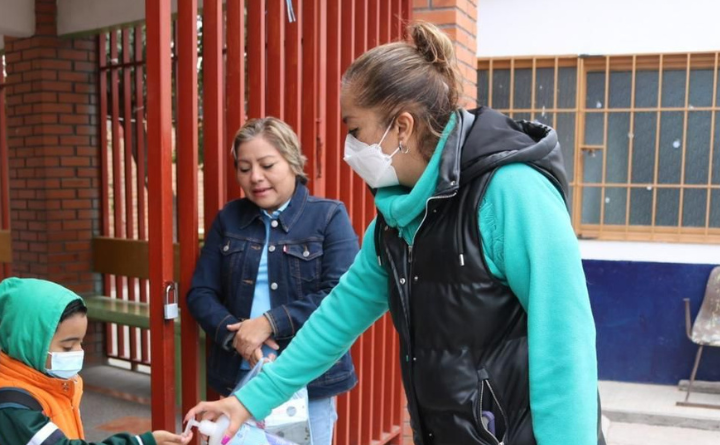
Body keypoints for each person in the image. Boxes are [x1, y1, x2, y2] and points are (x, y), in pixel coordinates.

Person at [185, 22, 605, 445]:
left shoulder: (510, 192)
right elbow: (335, 319)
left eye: (355, 130)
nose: (349, 147)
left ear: (402, 127)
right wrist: (247, 402)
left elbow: (564, 344)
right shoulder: (396, 219)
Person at [186, 117, 359, 445]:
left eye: (267, 165)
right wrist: (237, 336)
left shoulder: (328, 216)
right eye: (244, 168)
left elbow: (341, 295)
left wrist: (269, 322)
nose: (255, 177)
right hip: (240, 375)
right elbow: (201, 293)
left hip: (307, 379)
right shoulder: (229, 218)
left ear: (292, 162)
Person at [0, 277, 192, 445]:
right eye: (68, 346)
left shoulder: (49, 385)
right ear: (29, 343)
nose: (78, 352)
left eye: (80, 342)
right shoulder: (14, 409)